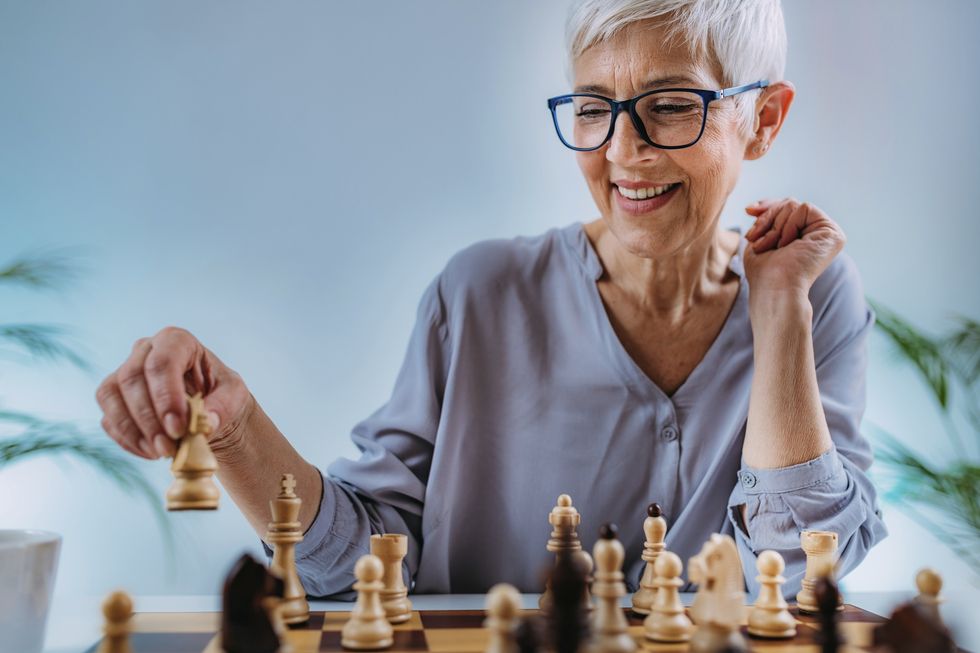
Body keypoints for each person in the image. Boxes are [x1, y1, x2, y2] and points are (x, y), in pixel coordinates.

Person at [95, 0, 887, 598]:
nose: (621, 151)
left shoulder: (813, 292)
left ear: (765, 119)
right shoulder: (476, 296)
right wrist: (234, 430)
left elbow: (799, 573)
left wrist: (780, 312)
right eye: (592, 107)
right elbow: (362, 568)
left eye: (672, 104)